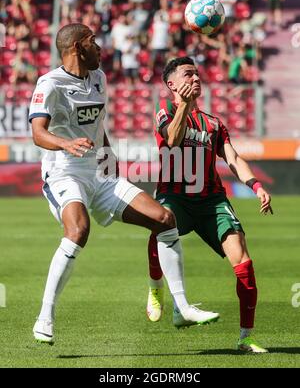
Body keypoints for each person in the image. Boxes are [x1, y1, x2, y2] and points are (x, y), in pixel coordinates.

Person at [29, 24, 219, 345]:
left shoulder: (98, 78)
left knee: (164, 220)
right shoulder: (50, 84)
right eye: (93, 42)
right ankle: (45, 316)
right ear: (77, 46)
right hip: (65, 171)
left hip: (100, 172)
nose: (100, 48)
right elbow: (38, 133)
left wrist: (109, 156)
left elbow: (97, 125)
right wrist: (65, 144)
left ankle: (182, 307)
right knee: (78, 231)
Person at [146, 56, 273, 353]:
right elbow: (173, 141)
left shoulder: (214, 124)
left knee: (243, 261)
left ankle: (246, 337)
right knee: (159, 224)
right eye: (188, 75)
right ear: (171, 84)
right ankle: (155, 289)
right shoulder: (164, 111)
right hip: (174, 195)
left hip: (211, 200)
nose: (195, 79)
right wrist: (186, 107)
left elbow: (233, 158)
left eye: (197, 74)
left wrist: (256, 186)